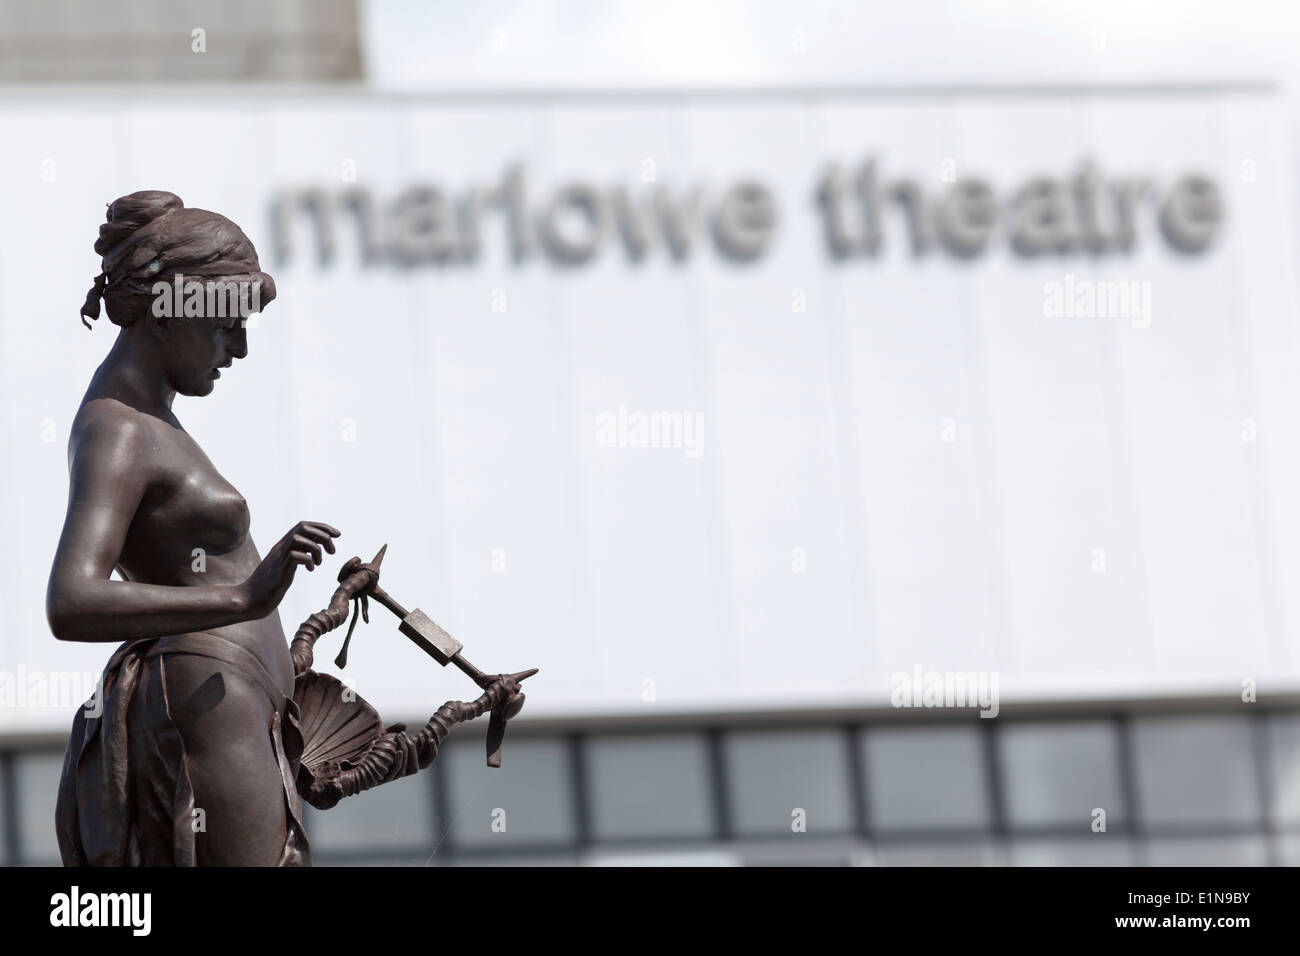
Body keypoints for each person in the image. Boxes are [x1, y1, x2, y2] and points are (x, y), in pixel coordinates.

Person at [46, 190, 516, 866]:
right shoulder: (117, 429)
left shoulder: (149, 423)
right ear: (167, 310)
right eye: (223, 327)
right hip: (206, 706)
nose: (236, 348)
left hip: (239, 705)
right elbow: (73, 600)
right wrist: (242, 599)